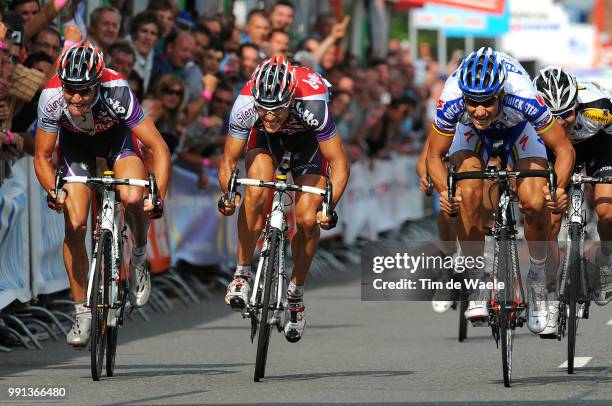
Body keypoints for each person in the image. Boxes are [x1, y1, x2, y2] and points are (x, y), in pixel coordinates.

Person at [426, 47, 575, 334]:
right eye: (473, 103)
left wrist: (558, 188)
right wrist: (446, 191)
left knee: (534, 201)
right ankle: (477, 278)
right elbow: (433, 155)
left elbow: (564, 149)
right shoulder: (453, 97)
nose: (479, 110)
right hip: (471, 134)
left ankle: (536, 277)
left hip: (519, 129)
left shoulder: (524, 95)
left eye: (487, 103)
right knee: (467, 193)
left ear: (501, 95)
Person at [33, 42, 170, 347]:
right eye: (71, 90)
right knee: (76, 222)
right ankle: (81, 310)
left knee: (133, 197)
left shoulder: (117, 88)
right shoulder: (51, 96)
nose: (77, 98)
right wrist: (54, 191)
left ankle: (137, 258)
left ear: (98, 83)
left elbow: (158, 147)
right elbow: (42, 156)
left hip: (116, 141)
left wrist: (156, 194)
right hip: (75, 148)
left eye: (85, 90)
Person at [218, 56, 349, 342]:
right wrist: (228, 193)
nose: (270, 116)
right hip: (266, 140)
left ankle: (296, 293)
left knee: (307, 218)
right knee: (255, 190)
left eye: (276, 109)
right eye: (263, 109)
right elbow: (229, 159)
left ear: (291, 100)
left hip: (308, 141)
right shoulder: (245, 104)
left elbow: (339, 162)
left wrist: (330, 206)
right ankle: (241, 274)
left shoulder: (313, 103)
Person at [533, 67, 612, 331]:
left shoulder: (598, 108)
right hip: (552, 150)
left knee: (607, 210)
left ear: (577, 104)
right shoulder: (529, 114)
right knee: (551, 219)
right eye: (552, 116)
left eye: (566, 113)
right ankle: (552, 290)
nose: (561, 121)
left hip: (597, 146)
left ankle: (606, 258)